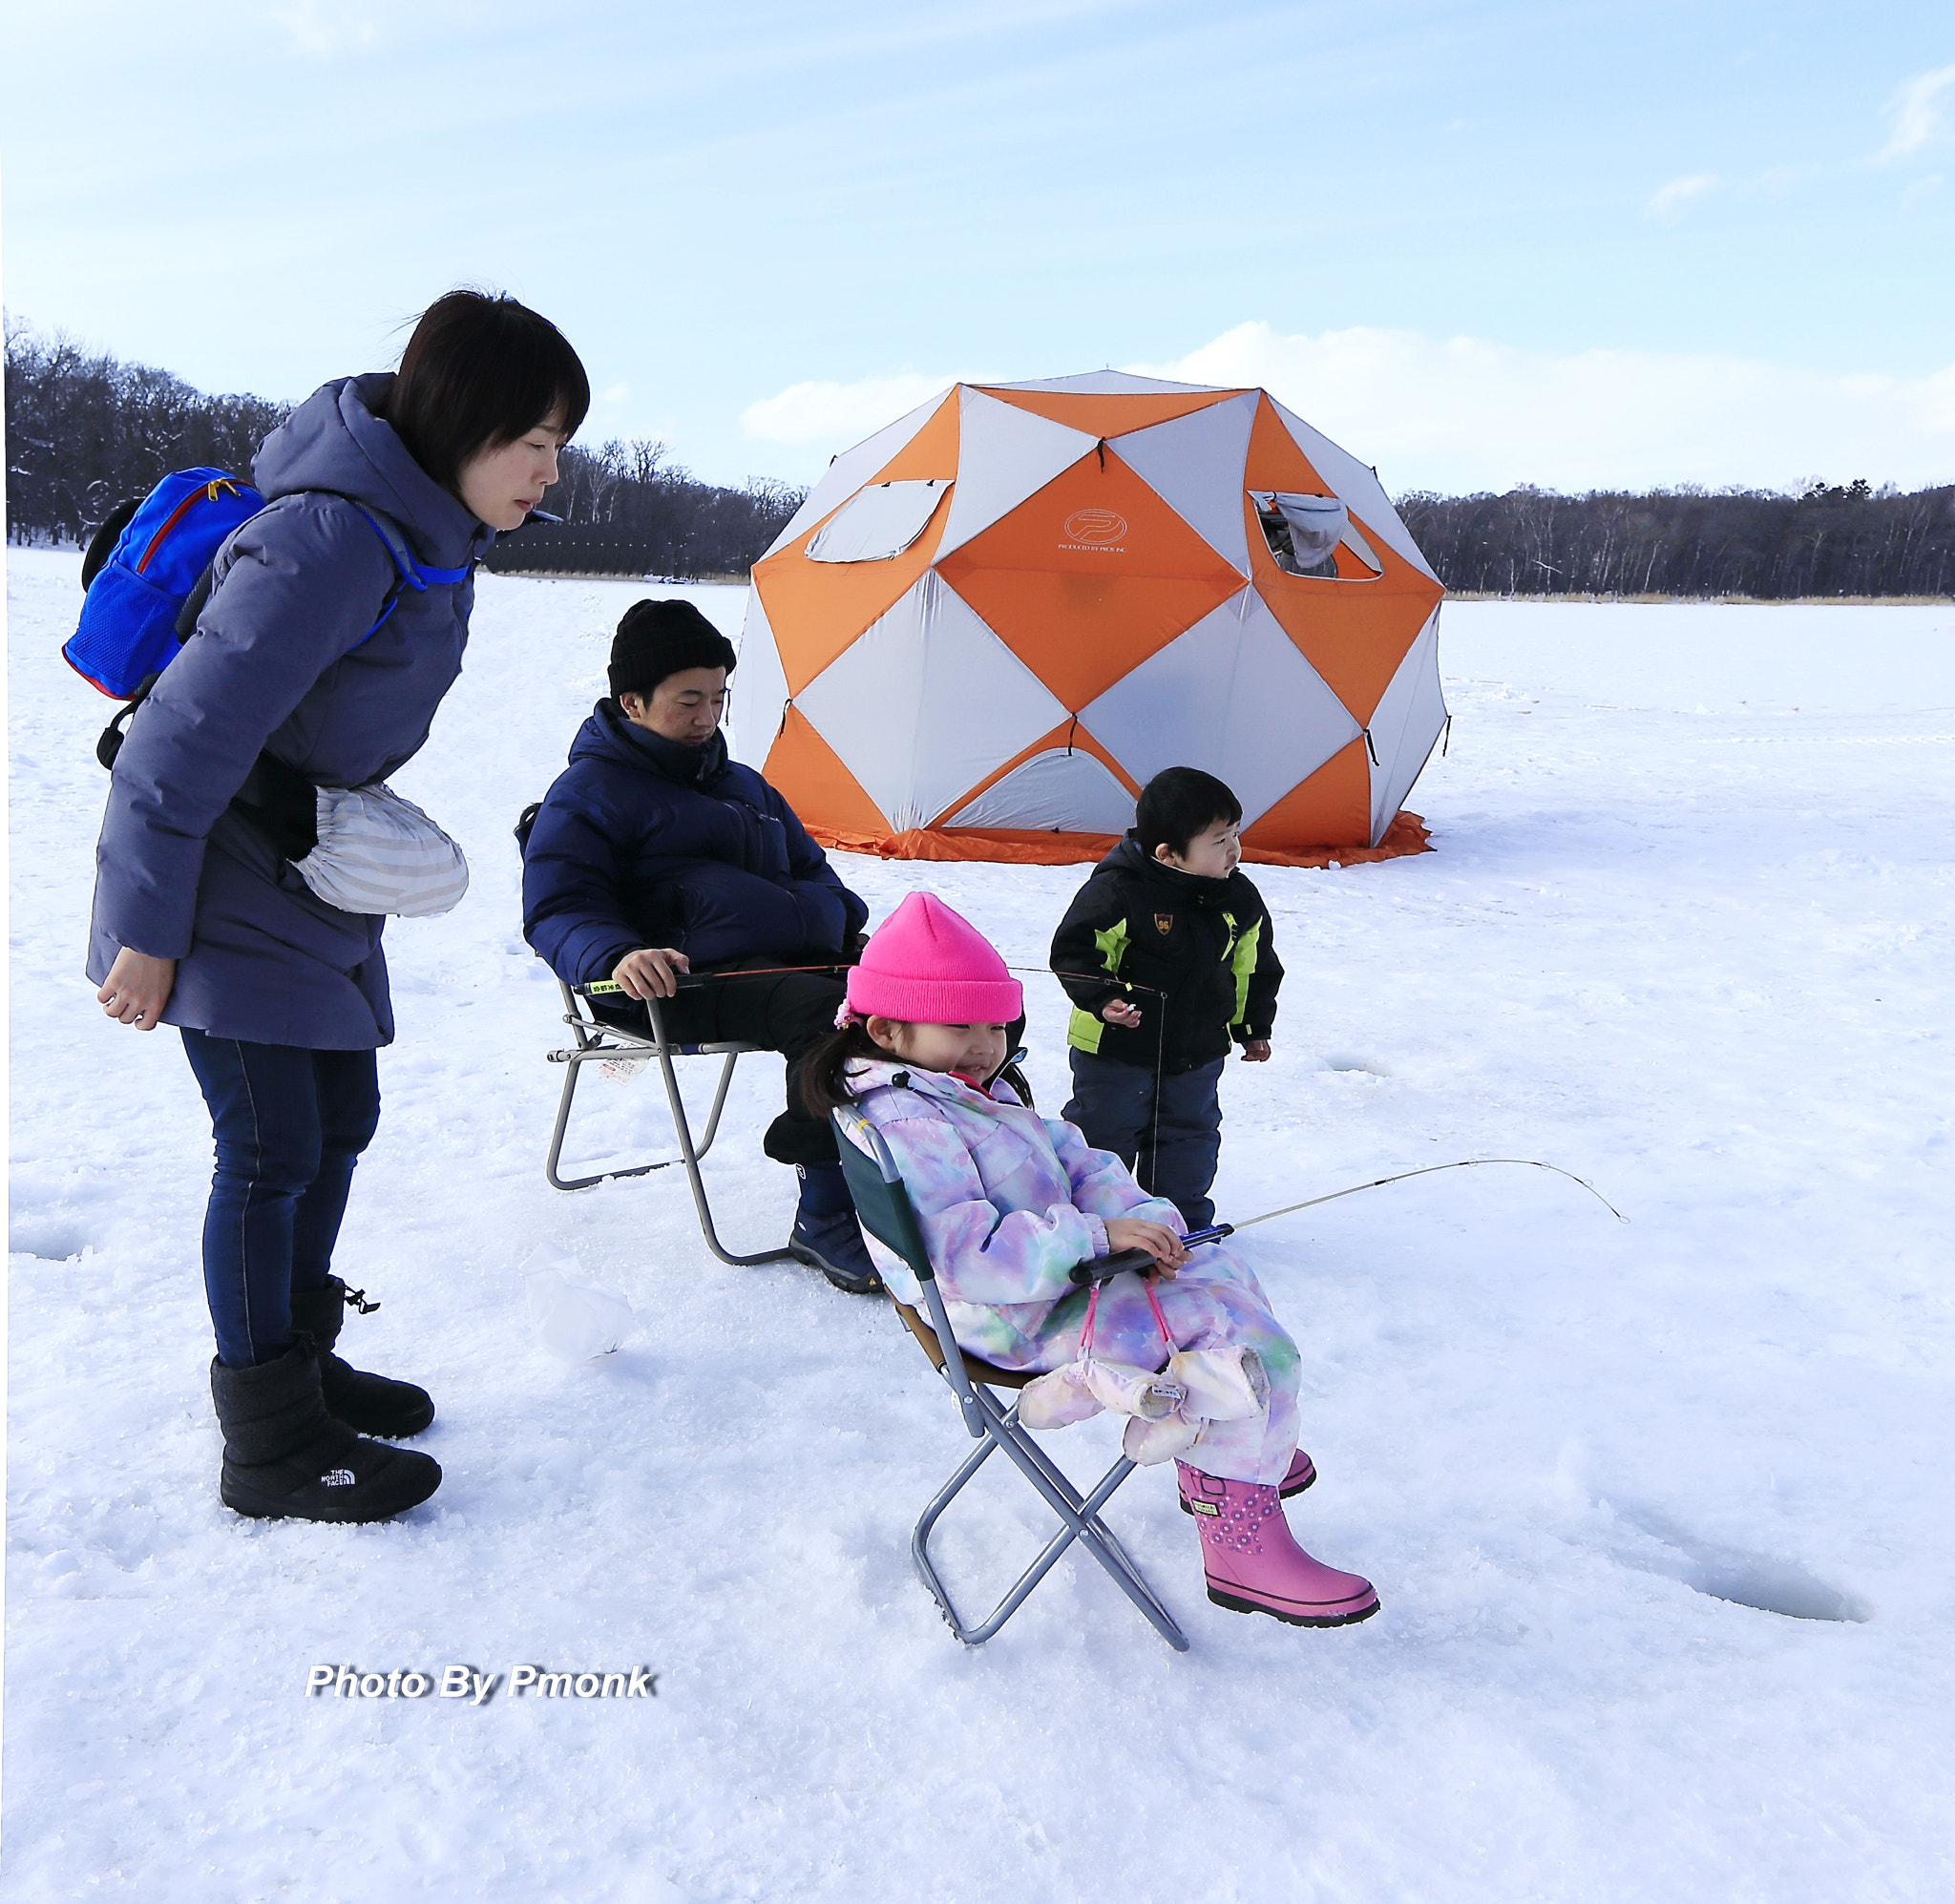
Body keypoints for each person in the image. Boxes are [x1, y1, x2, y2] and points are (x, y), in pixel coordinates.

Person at [88, 289, 591, 1524]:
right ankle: (270, 1441)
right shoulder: (331, 541)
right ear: (459, 423)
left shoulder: (420, 534)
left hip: (301, 861)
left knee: (338, 1115)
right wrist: (147, 933)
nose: (548, 472)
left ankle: (299, 1360)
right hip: (217, 873)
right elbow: (175, 741)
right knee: (269, 1147)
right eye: (528, 441)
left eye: (559, 445)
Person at [803, 891, 1377, 1628]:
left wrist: (1139, 1220)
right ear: (886, 1028)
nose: (985, 1042)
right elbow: (967, 1255)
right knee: (1239, 1338)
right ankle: (1239, 1537)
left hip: (1052, 1287)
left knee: (1217, 1271)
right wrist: (1097, 1240)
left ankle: (1240, 1445)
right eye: (960, 1025)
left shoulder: (963, 1087)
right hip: (1010, 1318)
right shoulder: (912, 1121)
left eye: (994, 1023)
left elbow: (1072, 1157)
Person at [519, 599, 883, 1294]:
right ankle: (828, 1215)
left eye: (718, 697)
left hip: (786, 961)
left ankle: (925, 1182)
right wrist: (618, 955)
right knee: (829, 1016)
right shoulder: (587, 793)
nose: (708, 715)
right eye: (689, 700)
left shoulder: (747, 785)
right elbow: (558, 907)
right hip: (669, 985)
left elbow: (813, 872)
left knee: (935, 992)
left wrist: (837, 921)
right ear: (631, 699)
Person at [1049, 766, 1282, 1231]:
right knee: (1105, 1135)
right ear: (1169, 855)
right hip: (1117, 1049)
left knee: (1188, 1138)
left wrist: (1252, 1026)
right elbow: (1075, 950)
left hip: (1196, 1050)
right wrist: (1104, 998)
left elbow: (1251, 967)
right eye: (1219, 840)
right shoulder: (1118, 891)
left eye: (1236, 833)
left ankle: (1180, 1224)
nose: (1235, 849)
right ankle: (1097, 1224)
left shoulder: (1237, 897)